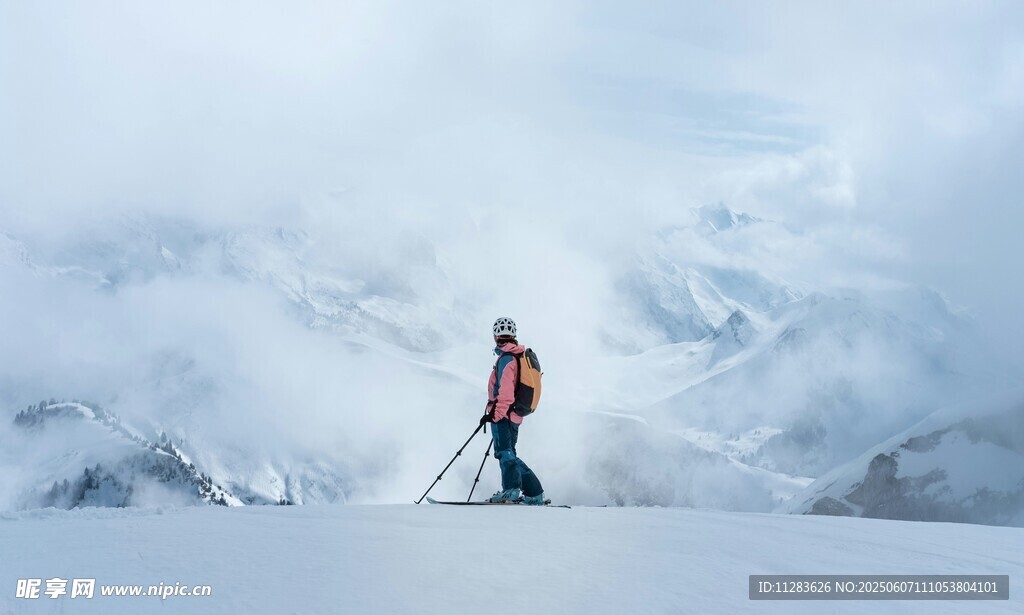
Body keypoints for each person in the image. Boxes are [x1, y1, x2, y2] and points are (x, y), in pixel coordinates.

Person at [480, 317, 545, 505]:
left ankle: (511, 490)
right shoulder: (517, 355)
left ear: (495, 337)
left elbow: (506, 393)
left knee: (504, 453)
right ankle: (534, 493)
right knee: (510, 453)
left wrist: (495, 415)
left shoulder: (507, 359)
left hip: (504, 415)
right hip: (515, 415)